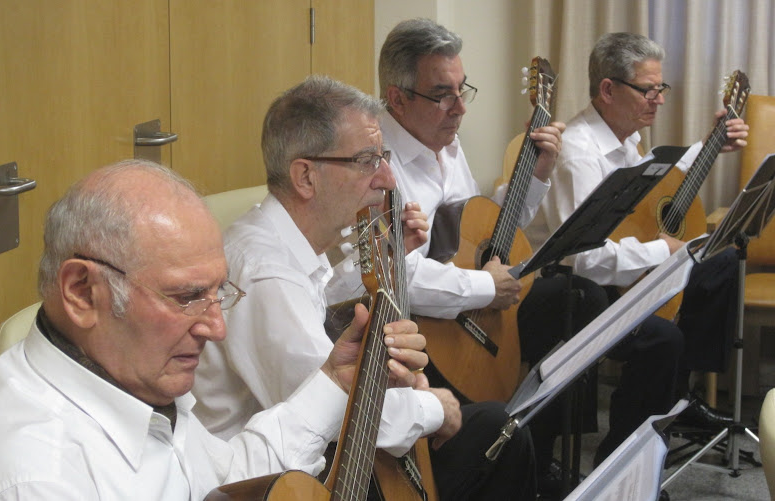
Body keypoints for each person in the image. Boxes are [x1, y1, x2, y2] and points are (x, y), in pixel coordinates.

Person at [0, 160, 429, 500]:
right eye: (187, 296)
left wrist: (337, 380)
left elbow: (223, 480)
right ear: (82, 292)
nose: (216, 327)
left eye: (218, 292)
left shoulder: (123, 370)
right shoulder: (37, 476)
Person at [192, 75, 537, 501]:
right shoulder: (266, 273)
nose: (388, 178)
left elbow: (324, 301)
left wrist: (386, 259)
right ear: (305, 177)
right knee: (498, 430)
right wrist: (435, 407)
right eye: (368, 160)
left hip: (312, 454)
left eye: (383, 157)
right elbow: (340, 413)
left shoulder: (287, 243)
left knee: (488, 425)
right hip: (268, 483)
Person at [322, 18, 609, 495]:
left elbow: (478, 231)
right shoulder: (374, 163)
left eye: (462, 90)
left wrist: (535, 174)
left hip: (467, 313)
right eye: (442, 95)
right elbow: (392, 273)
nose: (459, 108)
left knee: (578, 299)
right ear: (397, 99)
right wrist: (485, 287)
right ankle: (497, 457)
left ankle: (540, 454)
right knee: (499, 412)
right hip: (416, 330)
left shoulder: (447, 143)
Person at [525, 32, 749, 465]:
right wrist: (663, 252)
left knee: (721, 263)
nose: (659, 99)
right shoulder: (580, 154)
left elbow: (655, 183)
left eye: (660, 88)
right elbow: (583, 258)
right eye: (648, 90)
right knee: (662, 339)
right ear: (608, 90)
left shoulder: (625, 139)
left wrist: (710, 146)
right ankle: (619, 462)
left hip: (616, 273)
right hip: (573, 289)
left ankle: (679, 393)